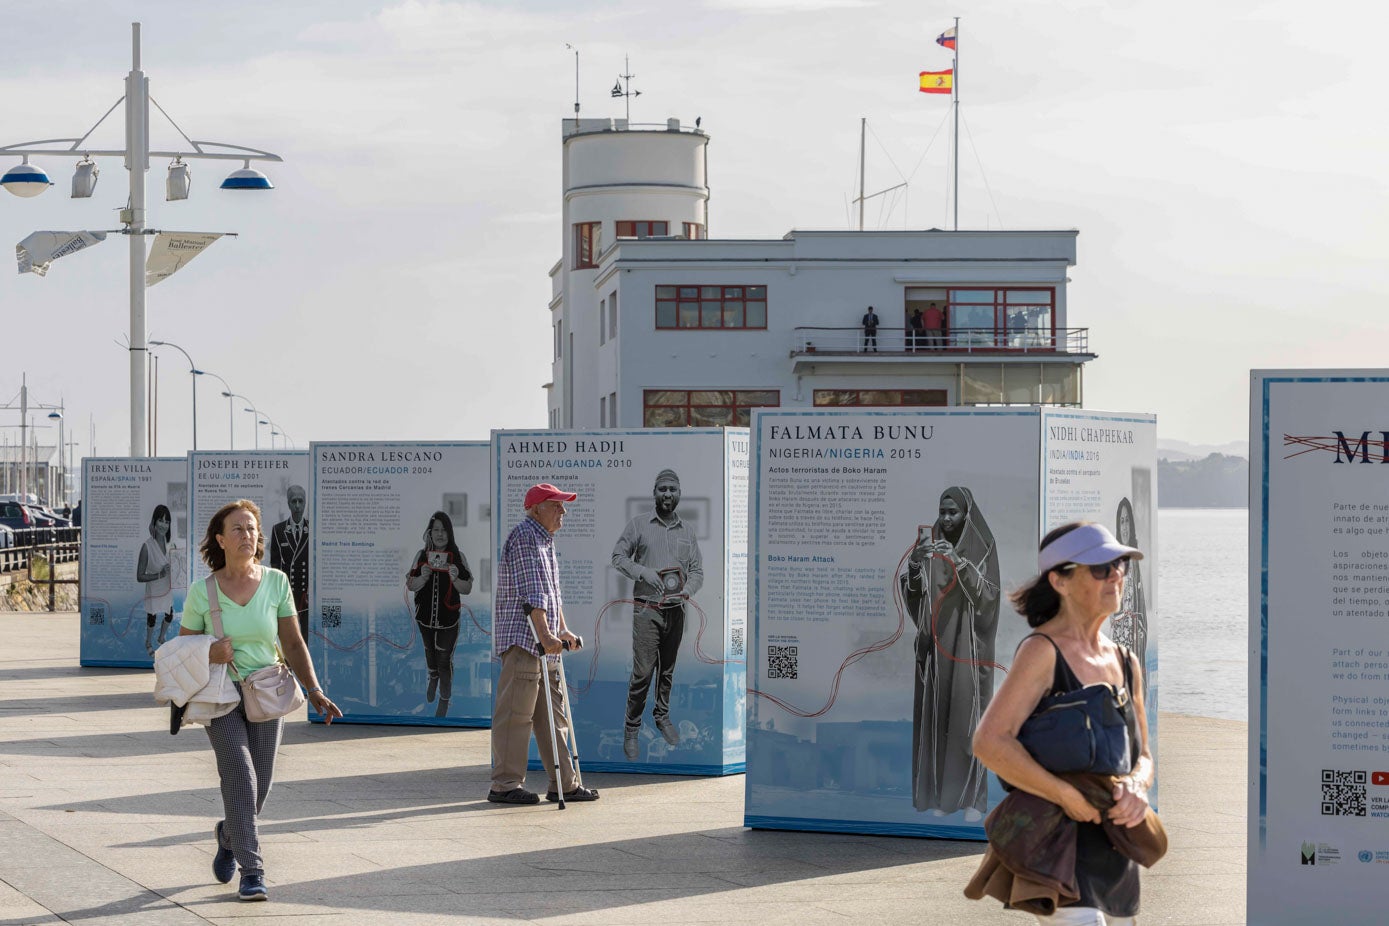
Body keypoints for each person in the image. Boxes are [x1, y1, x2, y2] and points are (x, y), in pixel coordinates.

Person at [972, 521, 1153, 925]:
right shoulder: (1042, 652)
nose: (1117, 576)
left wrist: (1138, 786)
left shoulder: (1127, 661)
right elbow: (990, 742)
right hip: (1059, 847)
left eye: (1120, 564)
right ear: (1060, 581)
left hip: (1116, 849)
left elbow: (1143, 755)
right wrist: (1064, 795)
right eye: (1101, 568)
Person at [178, 499, 342, 902]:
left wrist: (315, 688)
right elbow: (184, 648)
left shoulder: (275, 582)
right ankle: (252, 872)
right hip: (222, 696)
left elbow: (292, 640)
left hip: (268, 689)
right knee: (240, 774)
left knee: (260, 785)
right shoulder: (203, 591)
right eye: (238, 529)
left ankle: (228, 834)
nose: (247, 535)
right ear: (220, 539)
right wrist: (209, 652)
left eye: (252, 529)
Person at [489, 483, 598, 805]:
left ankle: (565, 784)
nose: (563, 511)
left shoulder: (544, 540)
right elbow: (532, 594)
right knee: (515, 715)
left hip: (542, 642)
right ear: (537, 508)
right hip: (526, 641)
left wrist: (561, 630)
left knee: (553, 714)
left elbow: (553, 595)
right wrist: (547, 635)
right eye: (556, 505)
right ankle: (504, 784)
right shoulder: (526, 537)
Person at [899, 486, 999, 818]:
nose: (945, 518)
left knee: (967, 723)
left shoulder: (983, 547)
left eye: (952, 512)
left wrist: (959, 563)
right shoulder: (931, 545)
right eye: (942, 511)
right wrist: (915, 565)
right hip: (936, 652)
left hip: (967, 652)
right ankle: (936, 799)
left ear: (966, 514)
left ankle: (970, 800)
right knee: (936, 722)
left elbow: (989, 601)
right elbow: (916, 601)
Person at [611, 469, 704, 760]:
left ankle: (661, 716)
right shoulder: (638, 525)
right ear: (654, 493)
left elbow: (698, 571)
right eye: (662, 489)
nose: (667, 494)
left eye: (672, 490)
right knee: (642, 674)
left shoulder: (687, 531)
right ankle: (631, 729)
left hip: (676, 611)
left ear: (679, 494)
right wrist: (643, 572)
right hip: (647, 610)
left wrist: (688, 589)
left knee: (667, 671)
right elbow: (618, 557)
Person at [405, 511, 473, 718]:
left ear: (450, 533)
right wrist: (422, 578)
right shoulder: (421, 555)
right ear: (430, 532)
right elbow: (410, 584)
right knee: (429, 653)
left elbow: (467, 588)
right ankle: (432, 677)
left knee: (444, 659)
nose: (440, 534)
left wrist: (455, 579)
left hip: (448, 619)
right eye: (436, 530)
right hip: (424, 617)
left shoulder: (459, 557)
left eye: (444, 530)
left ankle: (444, 699)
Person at [1109, 499, 1147, 672]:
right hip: (1119, 636)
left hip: (1134, 637)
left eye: (1127, 521)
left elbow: (1140, 603)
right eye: (1121, 521)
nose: (1124, 527)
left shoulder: (1134, 559)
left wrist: (1138, 626)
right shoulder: (1113, 559)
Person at [268, 485, 310, 643]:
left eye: (301, 501)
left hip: (307, 593)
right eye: (294, 501)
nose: (298, 506)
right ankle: (288, 665)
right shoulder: (278, 530)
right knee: (288, 636)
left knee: (307, 634)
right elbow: (275, 564)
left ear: (305, 502)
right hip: (288, 592)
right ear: (288, 504)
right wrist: (278, 593)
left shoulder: (313, 529)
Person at [137, 504, 176, 657]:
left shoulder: (171, 545)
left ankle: (161, 638)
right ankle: (148, 641)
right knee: (152, 617)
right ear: (154, 521)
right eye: (161, 520)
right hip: (154, 588)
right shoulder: (147, 546)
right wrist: (159, 575)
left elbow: (176, 568)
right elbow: (140, 576)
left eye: (167, 522)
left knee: (169, 614)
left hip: (167, 588)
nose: (163, 525)